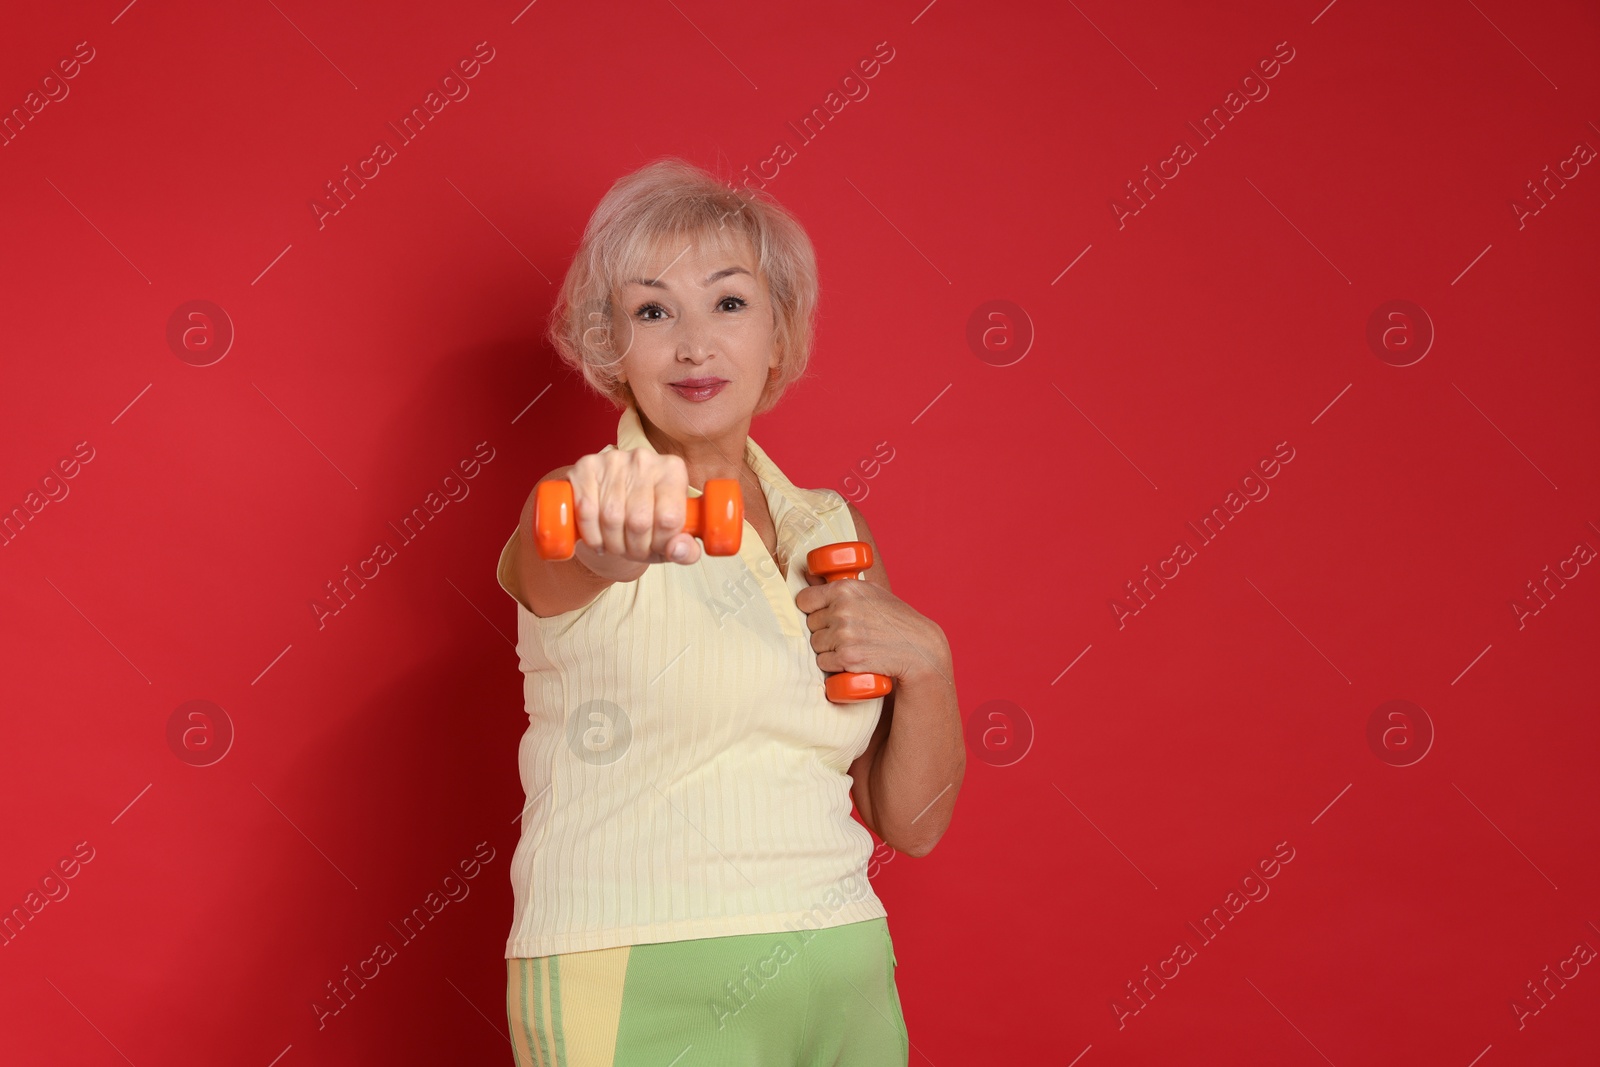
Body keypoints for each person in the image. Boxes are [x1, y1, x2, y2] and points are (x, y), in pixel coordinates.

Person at [495, 157, 963, 1066]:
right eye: (653, 311)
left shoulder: (831, 526)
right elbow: (565, 559)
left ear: (779, 335)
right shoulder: (580, 497)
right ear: (611, 345)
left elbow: (911, 823)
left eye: (730, 303)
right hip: (637, 966)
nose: (694, 345)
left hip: (841, 962)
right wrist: (611, 544)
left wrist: (931, 659)